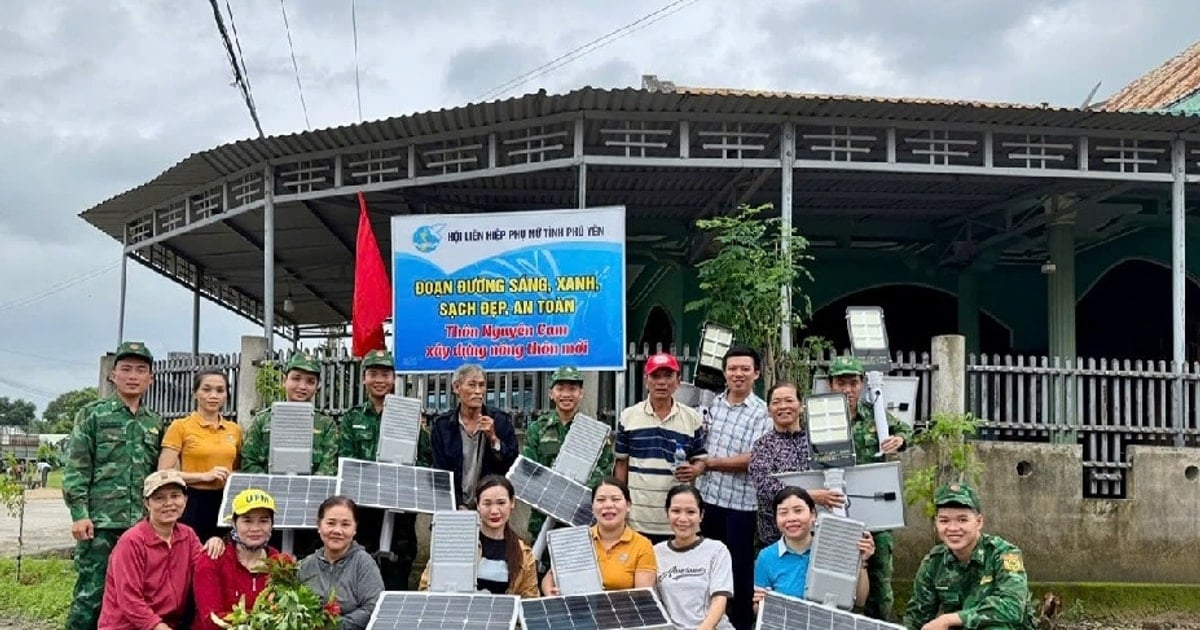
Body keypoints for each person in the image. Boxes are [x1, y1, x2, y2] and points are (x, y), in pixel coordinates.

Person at [63, 341, 166, 630]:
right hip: (99, 524)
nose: (133, 376)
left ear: (151, 378)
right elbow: (77, 468)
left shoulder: (154, 423)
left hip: (140, 526)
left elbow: (157, 475)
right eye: (126, 369)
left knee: (135, 597)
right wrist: (79, 513)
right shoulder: (93, 415)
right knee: (90, 595)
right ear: (113, 375)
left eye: (140, 370)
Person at [827, 356, 913, 621]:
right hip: (836, 508)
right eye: (841, 383)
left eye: (853, 383)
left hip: (876, 512)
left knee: (880, 581)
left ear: (862, 384)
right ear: (831, 385)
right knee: (835, 578)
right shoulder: (821, 417)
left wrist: (899, 440)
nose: (848, 389)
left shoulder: (875, 416)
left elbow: (906, 432)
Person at [338, 349, 431, 590]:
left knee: (398, 575)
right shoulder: (352, 418)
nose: (380, 380)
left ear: (394, 378)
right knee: (361, 577)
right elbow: (346, 461)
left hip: (400, 509)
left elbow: (425, 459)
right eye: (373, 374)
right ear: (364, 379)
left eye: (386, 374)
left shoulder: (410, 414)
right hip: (364, 510)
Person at [695, 345, 770, 630]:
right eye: (732, 369)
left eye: (745, 369)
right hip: (707, 501)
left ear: (756, 373)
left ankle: (739, 626)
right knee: (706, 568)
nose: (738, 374)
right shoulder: (711, 405)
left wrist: (709, 464)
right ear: (724, 373)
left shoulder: (762, 412)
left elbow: (753, 458)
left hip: (740, 506)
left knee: (739, 573)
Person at [242, 352, 339, 555]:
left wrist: (301, 496)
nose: (302, 386)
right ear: (284, 379)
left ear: (318, 386)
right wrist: (273, 491)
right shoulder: (262, 421)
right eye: (296, 378)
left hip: (309, 511)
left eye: (310, 381)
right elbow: (249, 461)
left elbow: (328, 468)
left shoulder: (327, 425)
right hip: (269, 510)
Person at [903, 483, 1036, 630]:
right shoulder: (934, 562)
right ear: (936, 524)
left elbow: (1012, 607)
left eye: (962, 520)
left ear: (979, 522)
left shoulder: (1003, 554)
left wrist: (949, 619)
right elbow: (916, 618)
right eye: (944, 521)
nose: (953, 528)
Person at [614, 352, 707, 543]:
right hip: (638, 518)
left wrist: (694, 470)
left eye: (668, 376)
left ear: (678, 380)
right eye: (656, 376)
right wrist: (620, 505)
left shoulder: (692, 418)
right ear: (646, 380)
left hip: (678, 519)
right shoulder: (629, 417)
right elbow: (621, 464)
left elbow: (701, 460)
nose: (662, 382)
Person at [97, 470, 203, 630]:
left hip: (169, 623)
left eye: (175, 496)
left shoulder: (188, 535)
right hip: (127, 626)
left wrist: (216, 543)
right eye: (159, 498)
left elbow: (205, 570)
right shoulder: (132, 541)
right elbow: (129, 599)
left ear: (185, 500)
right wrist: (159, 627)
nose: (169, 503)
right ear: (147, 503)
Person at [521, 365, 614, 541]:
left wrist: (573, 493)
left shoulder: (593, 432)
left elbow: (604, 470)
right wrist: (554, 492)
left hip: (580, 516)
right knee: (541, 566)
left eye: (572, 389)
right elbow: (529, 470)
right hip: (543, 515)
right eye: (560, 388)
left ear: (581, 393)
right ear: (551, 393)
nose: (566, 394)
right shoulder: (537, 429)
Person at [747, 381, 845, 544]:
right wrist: (809, 496)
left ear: (801, 407)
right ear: (769, 411)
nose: (783, 406)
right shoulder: (763, 445)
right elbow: (765, 487)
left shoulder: (820, 439)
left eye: (789, 400)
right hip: (777, 536)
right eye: (776, 402)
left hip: (820, 530)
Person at [752, 487, 874, 610]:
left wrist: (861, 561)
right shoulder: (766, 557)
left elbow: (860, 600)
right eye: (783, 512)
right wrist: (761, 604)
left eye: (798, 511)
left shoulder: (834, 549)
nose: (791, 518)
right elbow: (758, 611)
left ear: (813, 515)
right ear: (776, 519)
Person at [419, 475, 539, 597]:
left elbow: (529, 599)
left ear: (512, 502)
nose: (494, 511)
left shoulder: (523, 554)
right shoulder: (456, 542)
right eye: (487, 504)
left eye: (501, 503)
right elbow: (426, 587)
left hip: (501, 616)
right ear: (477, 504)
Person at [158, 369, 242, 542]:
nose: (213, 395)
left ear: (226, 395)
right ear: (195, 393)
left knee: (223, 555)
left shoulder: (234, 430)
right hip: (192, 502)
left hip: (226, 502)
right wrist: (204, 476)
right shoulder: (180, 426)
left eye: (220, 390)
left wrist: (233, 476)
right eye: (206, 389)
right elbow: (163, 473)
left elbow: (239, 468)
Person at [542, 477, 657, 594]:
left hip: (623, 611)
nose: (608, 505)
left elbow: (643, 597)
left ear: (628, 505)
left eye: (616, 499)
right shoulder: (577, 539)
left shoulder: (642, 545)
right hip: (579, 610)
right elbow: (550, 577)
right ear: (592, 507)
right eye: (601, 500)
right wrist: (550, 594)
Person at [429, 364, 519, 508]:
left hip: (490, 507)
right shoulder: (442, 426)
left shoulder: (500, 421)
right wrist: (457, 505)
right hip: (452, 506)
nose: (478, 391)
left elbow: (512, 465)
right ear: (457, 388)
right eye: (472, 385)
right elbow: (440, 472)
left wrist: (494, 439)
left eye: (482, 385)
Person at [193, 488, 282, 630]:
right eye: (247, 521)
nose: (255, 528)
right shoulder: (213, 558)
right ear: (234, 523)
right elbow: (211, 620)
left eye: (263, 521)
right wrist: (262, 619)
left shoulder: (279, 563)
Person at [654, 485, 734, 630]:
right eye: (676, 511)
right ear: (667, 513)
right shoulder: (655, 553)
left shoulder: (717, 550)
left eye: (691, 512)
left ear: (701, 515)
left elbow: (719, 599)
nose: (683, 518)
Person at [299, 496, 385, 630]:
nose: (337, 531)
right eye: (331, 523)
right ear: (319, 526)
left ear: (355, 529)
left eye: (345, 524)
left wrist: (334, 626)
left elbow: (373, 607)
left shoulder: (364, 564)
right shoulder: (305, 566)